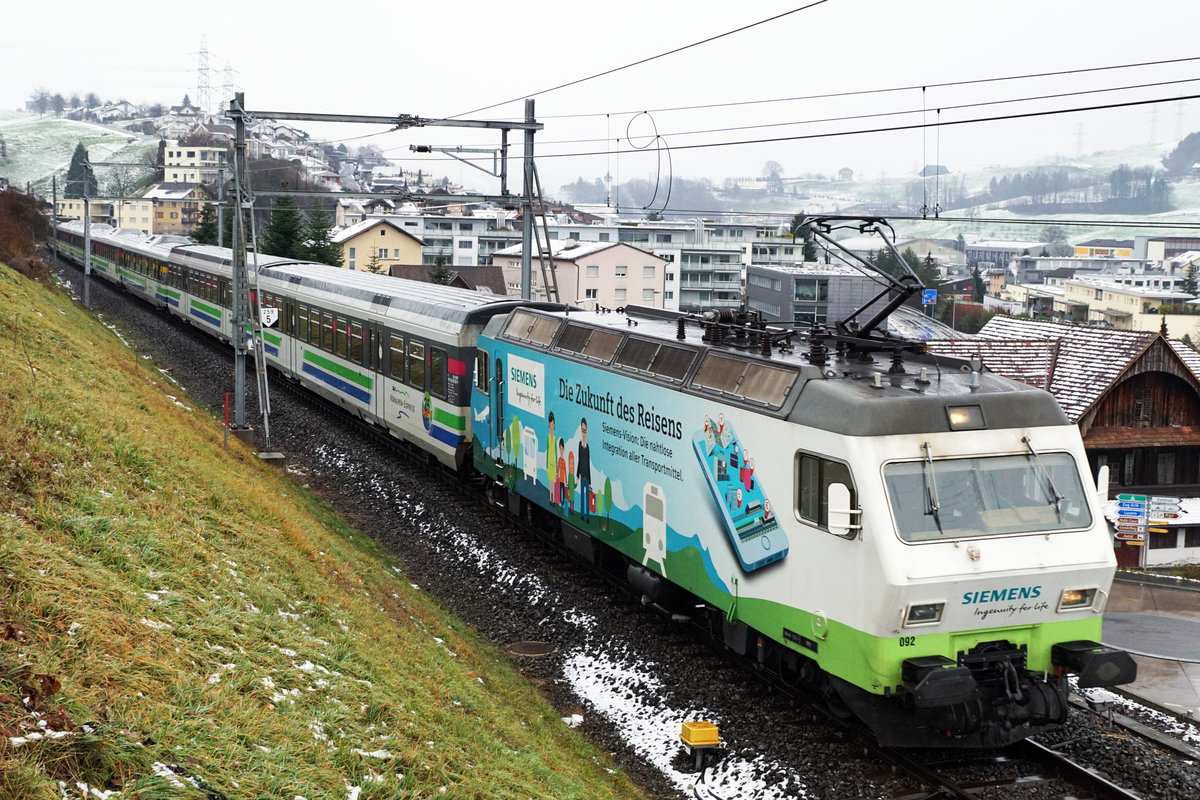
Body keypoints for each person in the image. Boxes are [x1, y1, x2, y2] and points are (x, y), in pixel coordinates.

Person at [577, 417, 592, 521]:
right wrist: (577, 475)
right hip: (582, 475)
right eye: (582, 430)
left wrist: (590, 481)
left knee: (587, 497)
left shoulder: (587, 447)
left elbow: (588, 464)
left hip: (587, 476)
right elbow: (579, 460)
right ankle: (582, 515)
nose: (583, 433)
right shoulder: (579, 445)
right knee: (582, 496)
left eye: (585, 431)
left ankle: (587, 516)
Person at [546, 412, 557, 505]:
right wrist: (546, 465)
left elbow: (556, 454)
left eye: (553, 424)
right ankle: (550, 499)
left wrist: (556, 468)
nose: (552, 425)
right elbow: (547, 452)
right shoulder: (548, 437)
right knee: (550, 483)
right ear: (549, 424)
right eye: (551, 423)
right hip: (550, 464)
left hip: (553, 464)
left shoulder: (555, 438)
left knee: (553, 482)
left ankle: (553, 500)